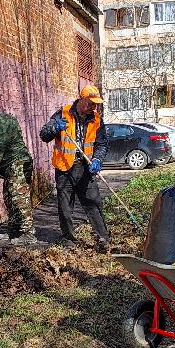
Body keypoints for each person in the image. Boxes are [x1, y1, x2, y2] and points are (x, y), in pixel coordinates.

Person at [40, 84, 110, 252]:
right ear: (82, 99)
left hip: (86, 168)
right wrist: (54, 128)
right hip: (65, 168)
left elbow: (102, 144)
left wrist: (97, 159)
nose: (94, 106)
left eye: (96, 104)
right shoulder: (62, 113)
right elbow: (44, 135)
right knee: (65, 206)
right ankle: (69, 239)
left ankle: (103, 238)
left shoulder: (96, 119)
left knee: (94, 202)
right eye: (91, 103)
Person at [0, 103, 36, 245]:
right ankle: (15, 231)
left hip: (17, 164)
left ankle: (28, 234)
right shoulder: (6, 119)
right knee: (9, 197)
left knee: (19, 198)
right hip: (13, 165)